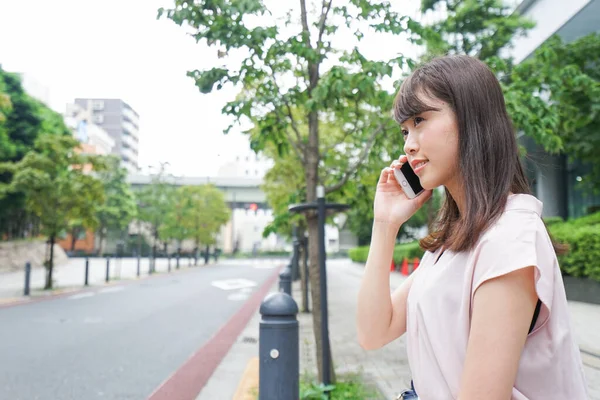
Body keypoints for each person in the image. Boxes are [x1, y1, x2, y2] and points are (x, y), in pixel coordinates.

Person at [356, 55, 588, 400]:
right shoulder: (457, 239)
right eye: (405, 130)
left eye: (420, 120)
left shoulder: (509, 238)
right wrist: (385, 224)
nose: (409, 144)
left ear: (471, 119)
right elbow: (374, 331)